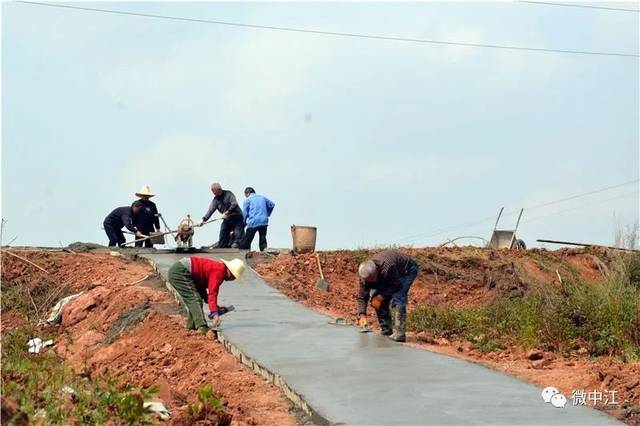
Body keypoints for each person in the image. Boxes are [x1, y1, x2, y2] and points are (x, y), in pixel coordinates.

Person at [167, 257, 246, 332]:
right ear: (231, 272)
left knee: (195, 299)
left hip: (183, 271)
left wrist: (215, 308)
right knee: (194, 299)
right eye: (234, 277)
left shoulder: (218, 269)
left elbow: (202, 289)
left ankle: (191, 327)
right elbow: (213, 293)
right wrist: (215, 314)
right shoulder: (219, 271)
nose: (233, 279)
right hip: (180, 272)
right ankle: (202, 327)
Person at [356, 251, 420, 342]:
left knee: (399, 296)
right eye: (370, 281)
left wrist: (381, 296)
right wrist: (362, 314)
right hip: (389, 276)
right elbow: (362, 296)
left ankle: (400, 333)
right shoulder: (364, 276)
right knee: (375, 299)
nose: (372, 282)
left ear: (377, 272)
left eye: (373, 279)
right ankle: (386, 330)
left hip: (407, 270)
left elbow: (397, 285)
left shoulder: (387, 268)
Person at [201, 183, 244, 248]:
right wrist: (203, 219)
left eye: (215, 192)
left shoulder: (229, 194)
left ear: (219, 190)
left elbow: (234, 204)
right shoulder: (216, 200)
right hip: (227, 218)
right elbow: (210, 210)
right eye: (213, 193)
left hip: (237, 216)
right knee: (223, 230)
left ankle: (237, 244)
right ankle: (222, 246)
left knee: (238, 232)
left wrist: (227, 212)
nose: (214, 194)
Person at [239, 187, 275, 251]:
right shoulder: (262, 197)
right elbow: (272, 205)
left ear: (248, 193)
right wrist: (268, 213)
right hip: (264, 221)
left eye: (245, 195)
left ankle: (243, 254)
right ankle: (264, 253)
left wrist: (243, 224)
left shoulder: (247, 200)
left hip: (253, 222)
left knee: (246, 241)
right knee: (262, 239)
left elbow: (245, 214)